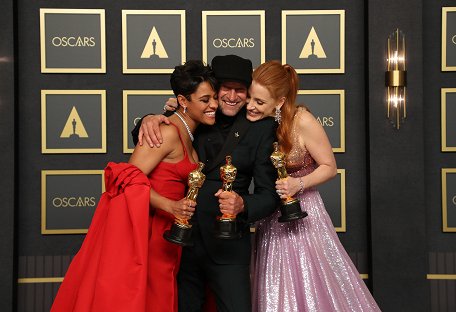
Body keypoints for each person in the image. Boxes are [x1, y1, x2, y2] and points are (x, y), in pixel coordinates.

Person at [51, 60, 219, 312]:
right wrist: (170, 205)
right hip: (149, 235)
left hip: (172, 237)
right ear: (184, 101)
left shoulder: (189, 134)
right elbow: (125, 178)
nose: (214, 105)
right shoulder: (166, 132)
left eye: (214, 97)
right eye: (205, 100)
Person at [133, 55, 279, 312]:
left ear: (248, 93)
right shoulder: (199, 113)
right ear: (214, 89)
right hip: (181, 242)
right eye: (226, 88)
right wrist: (149, 118)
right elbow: (158, 134)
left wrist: (243, 203)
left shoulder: (261, 128)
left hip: (228, 245)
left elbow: (270, 194)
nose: (232, 96)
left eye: (240, 90)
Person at [247, 60, 381, 311]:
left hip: (303, 215)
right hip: (270, 217)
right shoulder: (255, 122)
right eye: (250, 97)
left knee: (312, 285)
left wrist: (298, 183)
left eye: (259, 102)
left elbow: (330, 166)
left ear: (280, 102)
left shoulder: (303, 121)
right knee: (274, 286)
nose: (250, 106)